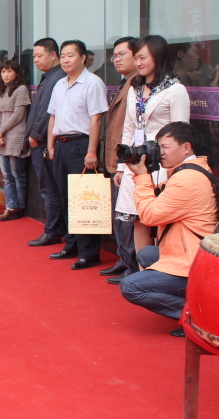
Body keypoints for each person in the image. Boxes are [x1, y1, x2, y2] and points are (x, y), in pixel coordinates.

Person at [120, 121, 219, 336]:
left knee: (131, 286)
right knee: (147, 254)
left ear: (186, 147)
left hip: (194, 263)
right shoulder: (187, 170)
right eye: (158, 147)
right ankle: (195, 302)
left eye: (165, 147)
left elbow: (150, 216)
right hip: (192, 252)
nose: (160, 153)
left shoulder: (187, 179)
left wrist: (142, 177)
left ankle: (197, 317)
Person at [113, 35, 191, 280]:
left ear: (158, 57)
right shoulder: (135, 87)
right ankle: (139, 272)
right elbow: (128, 127)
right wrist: (121, 165)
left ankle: (159, 275)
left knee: (158, 220)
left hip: (163, 163)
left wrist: (175, 168)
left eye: (142, 57)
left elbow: (181, 131)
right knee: (137, 219)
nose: (137, 63)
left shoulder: (175, 90)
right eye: (135, 58)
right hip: (135, 162)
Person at [47, 40, 109, 269]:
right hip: (61, 145)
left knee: (85, 199)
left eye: (70, 55)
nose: (65, 60)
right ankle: (71, 244)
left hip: (81, 145)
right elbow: (52, 116)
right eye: (62, 56)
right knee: (65, 197)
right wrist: (51, 145)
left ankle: (89, 253)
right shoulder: (59, 84)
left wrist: (92, 152)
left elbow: (97, 118)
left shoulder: (92, 83)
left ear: (83, 58)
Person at [101, 37, 139, 281]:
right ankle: (124, 259)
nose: (116, 60)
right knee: (119, 216)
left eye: (121, 54)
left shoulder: (138, 85)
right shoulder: (126, 82)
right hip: (117, 159)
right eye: (114, 56)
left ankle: (131, 265)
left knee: (127, 218)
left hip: (130, 160)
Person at [25, 38, 67, 246]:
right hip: (41, 141)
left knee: (50, 188)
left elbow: (46, 113)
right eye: (34, 56)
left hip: (43, 142)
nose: (36, 60)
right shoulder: (50, 77)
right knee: (49, 188)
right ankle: (54, 228)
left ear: (53, 55)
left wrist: (34, 136)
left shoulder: (57, 78)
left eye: (39, 56)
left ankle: (53, 230)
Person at [0, 59, 32, 221]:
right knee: (6, 175)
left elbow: (18, 115)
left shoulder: (21, 89)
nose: (6, 75)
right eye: (3, 71)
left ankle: (19, 206)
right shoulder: (2, 90)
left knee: (17, 174)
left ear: (16, 73)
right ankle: (10, 206)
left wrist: (1, 131)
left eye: (9, 71)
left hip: (16, 134)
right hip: (2, 136)